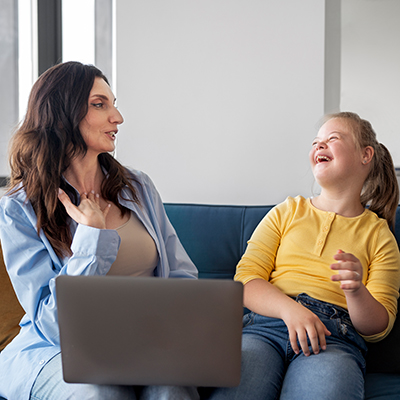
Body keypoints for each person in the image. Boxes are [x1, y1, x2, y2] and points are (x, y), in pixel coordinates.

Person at [0, 61, 200, 400]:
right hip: (58, 351)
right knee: (101, 392)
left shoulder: (138, 186)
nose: (117, 117)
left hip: (147, 343)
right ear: (63, 112)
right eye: (100, 104)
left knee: (172, 389)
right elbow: (51, 323)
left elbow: (181, 274)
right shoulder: (18, 207)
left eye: (113, 103)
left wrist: (176, 331)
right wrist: (91, 241)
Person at [209, 112, 400, 400]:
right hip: (264, 328)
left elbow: (378, 327)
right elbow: (246, 280)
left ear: (366, 154)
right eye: (316, 142)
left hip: (333, 338)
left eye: (332, 139)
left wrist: (356, 290)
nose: (319, 146)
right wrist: (291, 311)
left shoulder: (380, 235)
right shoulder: (286, 212)